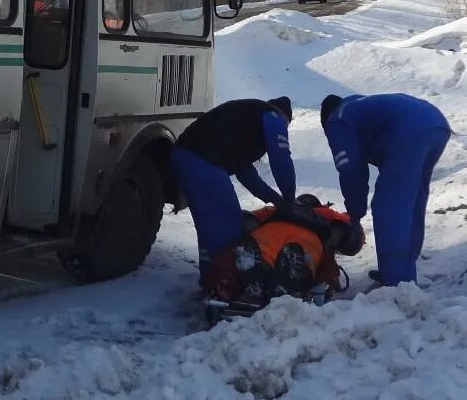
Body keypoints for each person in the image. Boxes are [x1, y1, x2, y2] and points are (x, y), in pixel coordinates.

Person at [320, 92, 451, 286]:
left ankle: (396, 282)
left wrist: (355, 214)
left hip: (409, 129)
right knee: (412, 200)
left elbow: (351, 169)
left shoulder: (338, 119)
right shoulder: (360, 106)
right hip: (435, 123)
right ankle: (404, 269)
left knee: (389, 206)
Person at [171, 96, 296, 280]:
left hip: (184, 157)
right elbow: (281, 159)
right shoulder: (274, 116)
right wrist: (289, 198)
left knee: (210, 228)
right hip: (203, 161)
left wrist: (275, 199)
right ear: (285, 118)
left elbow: (246, 173)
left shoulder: (247, 123)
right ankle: (225, 284)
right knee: (229, 228)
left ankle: (211, 282)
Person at [208, 193, 365, 304]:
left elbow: (248, 218)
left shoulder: (279, 207)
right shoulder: (326, 213)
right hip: (308, 239)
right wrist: (331, 280)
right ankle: (289, 282)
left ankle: (254, 277)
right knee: (302, 257)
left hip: (270, 231)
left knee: (262, 253)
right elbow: (350, 227)